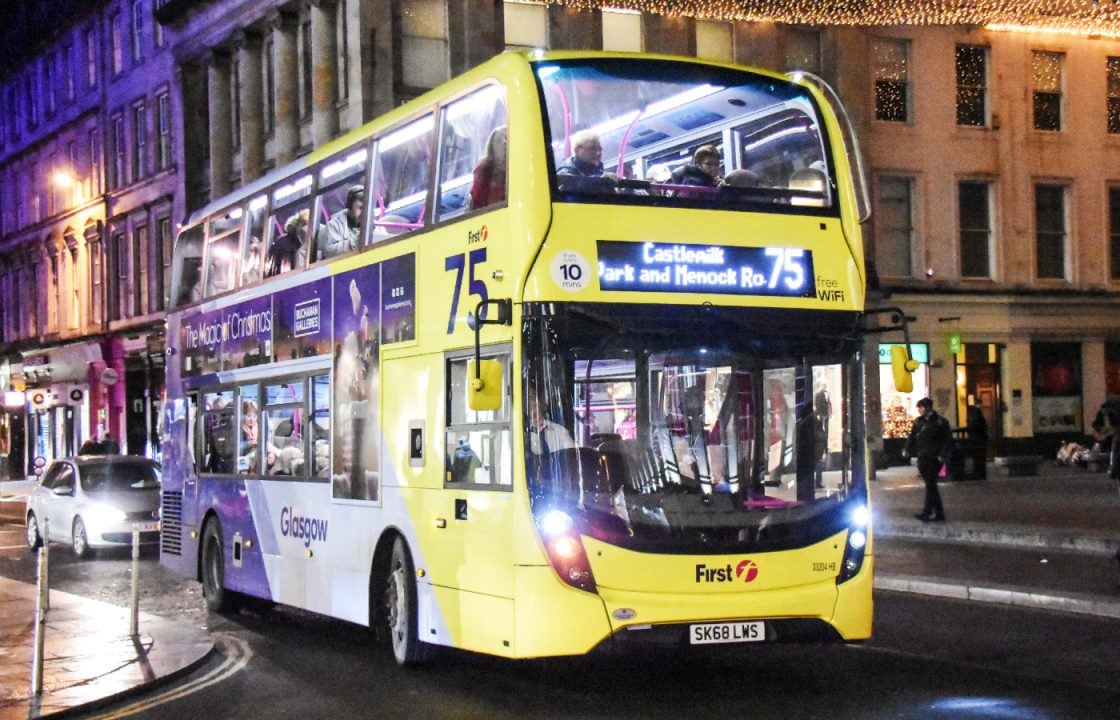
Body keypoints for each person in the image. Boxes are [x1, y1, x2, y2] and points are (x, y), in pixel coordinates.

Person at [904, 397, 952, 522]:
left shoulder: (940, 422)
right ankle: (938, 513)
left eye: (920, 407)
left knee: (930, 484)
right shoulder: (918, 422)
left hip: (935, 458)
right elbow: (912, 437)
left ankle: (927, 512)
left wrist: (942, 454)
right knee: (931, 485)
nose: (919, 410)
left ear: (927, 407)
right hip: (923, 457)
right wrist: (907, 449)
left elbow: (947, 439)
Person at [555, 130, 617, 194]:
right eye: (592, 149)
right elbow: (572, 183)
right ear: (576, 150)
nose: (597, 153)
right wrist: (601, 180)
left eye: (600, 149)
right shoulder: (565, 171)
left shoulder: (598, 169)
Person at [317, 185, 365, 260]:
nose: (364, 212)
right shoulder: (333, 225)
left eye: (367, 208)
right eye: (360, 208)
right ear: (349, 206)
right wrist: (355, 241)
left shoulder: (371, 225)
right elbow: (328, 251)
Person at [469, 126, 507, 209]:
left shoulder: (517, 167)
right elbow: (477, 198)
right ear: (491, 145)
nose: (503, 145)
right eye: (498, 141)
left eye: (506, 140)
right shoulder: (483, 169)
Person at [265, 209, 309, 277]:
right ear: (298, 226)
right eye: (304, 225)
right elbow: (285, 268)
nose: (306, 230)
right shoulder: (286, 244)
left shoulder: (284, 241)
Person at [965, 400, 989, 480]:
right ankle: (980, 474)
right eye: (980, 404)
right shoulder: (977, 413)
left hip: (975, 437)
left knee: (977, 457)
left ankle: (978, 473)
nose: (981, 406)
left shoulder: (972, 413)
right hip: (979, 438)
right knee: (979, 457)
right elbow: (980, 425)